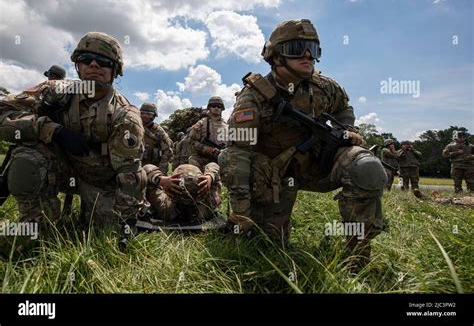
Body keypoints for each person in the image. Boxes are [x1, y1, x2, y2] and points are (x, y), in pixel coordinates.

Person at [218, 19, 386, 268]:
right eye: (297, 48)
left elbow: (344, 107)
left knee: (365, 166)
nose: (308, 56)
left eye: (314, 50)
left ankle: (357, 258)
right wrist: (241, 212)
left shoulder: (326, 86)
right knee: (267, 248)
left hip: (318, 165)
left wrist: (347, 129)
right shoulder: (253, 97)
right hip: (273, 177)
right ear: (275, 57)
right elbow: (237, 154)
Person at [0, 32, 147, 249]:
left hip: (100, 180)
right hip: (61, 167)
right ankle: (35, 225)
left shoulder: (125, 117)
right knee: (27, 157)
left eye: (104, 62)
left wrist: (127, 222)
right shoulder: (55, 92)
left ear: (115, 71)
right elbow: (3, 114)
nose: (94, 65)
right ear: (77, 65)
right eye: (87, 59)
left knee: (102, 231)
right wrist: (51, 130)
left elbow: (129, 175)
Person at [140, 163, 222, 227]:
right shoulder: (209, 205)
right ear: (202, 190)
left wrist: (161, 180)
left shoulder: (165, 207)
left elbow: (146, 169)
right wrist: (210, 176)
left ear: (171, 194)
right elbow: (214, 165)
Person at [188, 96, 228, 171]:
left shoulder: (227, 125)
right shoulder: (202, 123)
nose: (216, 108)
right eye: (213, 106)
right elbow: (191, 141)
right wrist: (207, 149)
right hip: (204, 160)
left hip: (223, 160)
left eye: (219, 106)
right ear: (209, 108)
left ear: (222, 109)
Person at [139, 102, 173, 173]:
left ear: (154, 116)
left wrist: (161, 170)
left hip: (152, 168)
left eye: (148, 114)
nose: (144, 116)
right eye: (142, 113)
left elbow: (167, 151)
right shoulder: (134, 127)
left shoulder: (158, 131)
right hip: (135, 166)